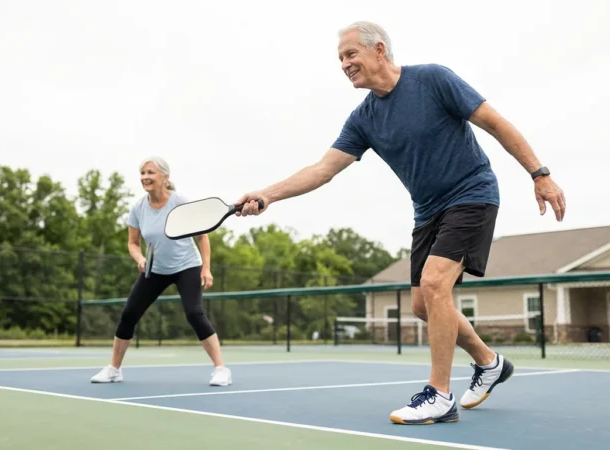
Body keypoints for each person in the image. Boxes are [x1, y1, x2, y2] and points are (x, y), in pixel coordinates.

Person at [234, 21, 565, 424]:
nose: (344, 64)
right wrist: (267, 194)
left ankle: (440, 396)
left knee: (434, 282)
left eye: (350, 54)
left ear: (379, 50)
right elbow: (323, 169)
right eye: (340, 58)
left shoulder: (433, 79)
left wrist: (539, 173)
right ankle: (489, 362)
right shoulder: (363, 118)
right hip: (427, 211)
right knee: (424, 305)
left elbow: (495, 122)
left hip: (471, 194)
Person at [90, 156, 232, 387]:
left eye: (150, 173)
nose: (145, 177)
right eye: (142, 173)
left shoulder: (180, 203)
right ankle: (114, 369)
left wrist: (206, 268)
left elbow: (203, 236)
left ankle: (221, 369)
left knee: (194, 313)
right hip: (156, 268)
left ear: (165, 177)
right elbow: (133, 243)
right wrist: (140, 258)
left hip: (187, 265)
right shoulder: (138, 208)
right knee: (129, 314)